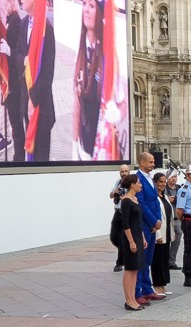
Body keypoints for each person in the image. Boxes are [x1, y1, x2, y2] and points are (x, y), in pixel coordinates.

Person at [16, 0, 56, 161]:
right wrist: (24, 60)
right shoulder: (24, 22)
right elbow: (18, 53)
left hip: (41, 106)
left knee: (40, 156)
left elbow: (48, 73)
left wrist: (34, 99)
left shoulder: (47, 28)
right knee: (30, 149)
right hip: (25, 99)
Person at [72, 0, 103, 159]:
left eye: (91, 6)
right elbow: (77, 102)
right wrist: (74, 143)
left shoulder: (105, 52)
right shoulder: (82, 49)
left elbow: (121, 103)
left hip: (100, 145)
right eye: (84, 4)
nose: (86, 10)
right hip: (85, 140)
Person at [135, 152, 165, 306]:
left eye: (153, 162)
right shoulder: (138, 179)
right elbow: (142, 204)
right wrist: (154, 221)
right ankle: (137, 292)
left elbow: (155, 200)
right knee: (141, 260)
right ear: (141, 163)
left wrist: (157, 221)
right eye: (150, 162)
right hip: (144, 226)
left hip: (152, 226)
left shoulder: (149, 178)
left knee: (148, 260)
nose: (153, 165)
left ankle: (147, 289)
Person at [0, 0, 23, 160]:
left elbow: (19, 55)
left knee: (16, 124)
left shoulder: (16, 23)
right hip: (11, 81)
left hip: (15, 83)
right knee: (14, 122)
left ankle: (19, 156)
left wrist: (8, 50)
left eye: (3, 4)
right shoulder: (10, 21)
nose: (1, 7)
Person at [119, 174, 147, 311]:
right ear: (132, 185)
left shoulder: (136, 200)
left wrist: (142, 238)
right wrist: (131, 241)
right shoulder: (126, 201)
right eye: (139, 183)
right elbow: (125, 224)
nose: (140, 185)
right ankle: (128, 300)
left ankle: (133, 299)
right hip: (130, 238)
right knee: (129, 269)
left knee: (135, 269)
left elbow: (138, 222)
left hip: (137, 236)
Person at [151, 172, 174, 296]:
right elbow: (156, 217)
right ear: (155, 182)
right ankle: (156, 285)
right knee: (157, 260)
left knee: (165, 259)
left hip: (167, 232)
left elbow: (169, 215)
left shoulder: (164, 197)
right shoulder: (154, 198)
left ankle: (163, 285)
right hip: (159, 233)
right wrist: (158, 235)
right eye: (160, 182)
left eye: (164, 182)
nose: (163, 184)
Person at [110, 164, 130, 271]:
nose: (124, 173)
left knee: (123, 237)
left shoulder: (132, 183)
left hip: (126, 212)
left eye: (126, 171)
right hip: (118, 211)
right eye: (122, 171)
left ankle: (119, 262)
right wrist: (115, 193)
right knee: (114, 236)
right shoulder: (118, 182)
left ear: (129, 172)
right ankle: (125, 251)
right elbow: (110, 195)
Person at [165, 167, 183, 271]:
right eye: (172, 177)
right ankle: (165, 261)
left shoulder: (179, 188)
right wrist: (168, 199)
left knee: (176, 241)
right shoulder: (164, 189)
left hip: (177, 219)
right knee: (166, 241)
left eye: (175, 177)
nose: (174, 179)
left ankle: (172, 262)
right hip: (168, 220)